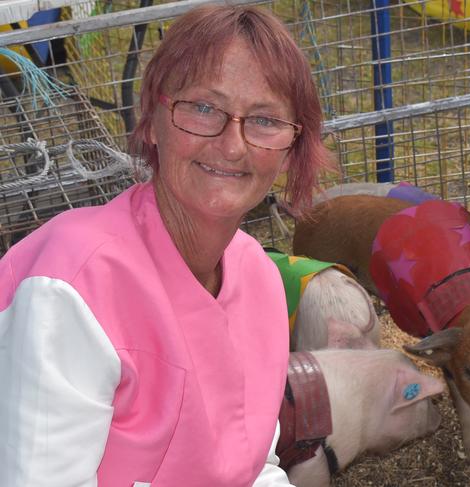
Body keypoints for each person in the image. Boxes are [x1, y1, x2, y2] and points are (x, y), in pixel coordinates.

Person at [0, 5, 331, 486]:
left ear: (290, 148)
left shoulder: (258, 276)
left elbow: (252, 465)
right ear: (152, 121)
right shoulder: (71, 287)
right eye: (202, 108)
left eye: (264, 120)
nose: (233, 145)